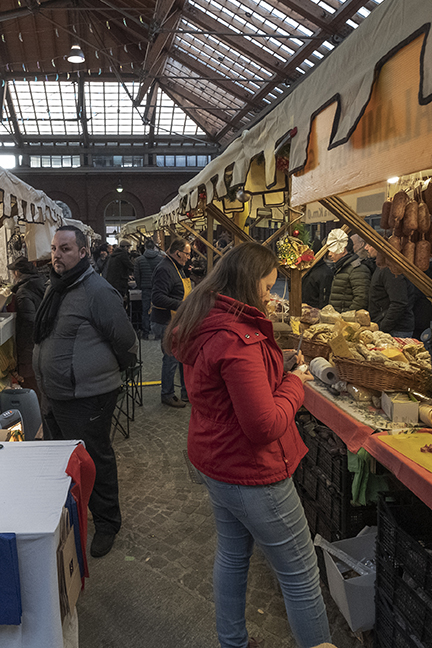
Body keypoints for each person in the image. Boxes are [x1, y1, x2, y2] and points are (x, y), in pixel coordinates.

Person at [166, 243, 330, 648]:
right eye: (267, 286)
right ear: (247, 283)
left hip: (217, 459)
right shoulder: (238, 338)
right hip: (251, 470)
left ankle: (233, 643)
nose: (269, 296)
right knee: (301, 574)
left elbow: (229, 392)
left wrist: (276, 365)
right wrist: (295, 384)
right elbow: (264, 425)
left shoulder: (204, 317)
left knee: (233, 555)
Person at [34, 226, 138, 557]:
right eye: (54, 248)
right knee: (65, 460)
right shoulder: (57, 286)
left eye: (65, 249)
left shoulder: (96, 290)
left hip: (87, 394)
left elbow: (124, 339)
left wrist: (106, 371)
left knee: (95, 458)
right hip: (58, 393)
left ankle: (108, 523)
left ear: (83, 252)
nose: (57, 254)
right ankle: (71, 517)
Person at [7, 256, 49, 433]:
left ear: (17, 273)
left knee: (33, 388)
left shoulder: (23, 292)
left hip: (31, 346)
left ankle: (38, 428)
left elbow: (29, 322)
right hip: (44, 344)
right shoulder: (41, 283)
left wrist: (22, 353)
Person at [152, 238, 192, 407]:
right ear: (178, 253)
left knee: (181, 356)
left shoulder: (176, 267)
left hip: (177, 320)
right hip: (166, 321)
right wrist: (182, 304)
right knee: (171, 357)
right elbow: (157, 297)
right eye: (187, 254)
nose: (189, 257)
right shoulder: (164, 269)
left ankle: (186, 391)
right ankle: (167, 394)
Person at [365, 243, 414, 337]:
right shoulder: (381, 267)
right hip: (388, 327)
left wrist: (382, 327)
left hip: (396, 330)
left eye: (369, 245)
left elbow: (399, 303)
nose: (366, 248)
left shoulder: (390, 270)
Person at [326, 229, 370, 313]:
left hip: (348, 322)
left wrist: (346, 317)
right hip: (338, 319)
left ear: (342, 250)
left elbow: (361, 299)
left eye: (332, 250)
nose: (329, 254)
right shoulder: (340, 268)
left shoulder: (357, 269)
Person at [133, 239, 163, 337]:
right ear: (154, 247)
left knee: (145, 310)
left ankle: (145, 332)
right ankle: (157, 333)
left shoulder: (138, 260)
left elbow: (137, 275)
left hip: (145, 288)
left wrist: (140, 285)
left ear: (145, 247)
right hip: (157, 288)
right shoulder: (160, 259)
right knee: (157, 309)